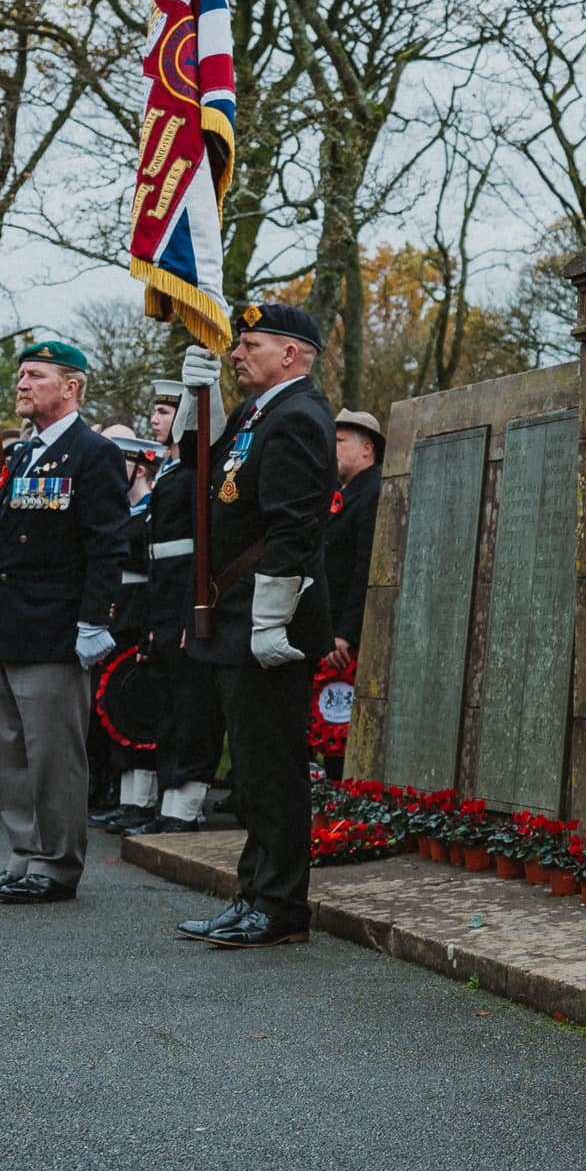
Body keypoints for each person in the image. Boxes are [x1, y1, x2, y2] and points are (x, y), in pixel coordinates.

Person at [178, 304, 336, 947]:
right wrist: (199, 397)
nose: (237, 353)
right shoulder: (258, 412)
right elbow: (204, 471)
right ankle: (254, 895)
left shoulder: (299, 416)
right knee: (250, 770)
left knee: (272, 770)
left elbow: (295, 527)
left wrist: (273, 619)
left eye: (249, 345)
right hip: (238, 614)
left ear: (291, 354)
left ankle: (280, 907)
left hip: (269, 617)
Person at [0, 340, 130, 906]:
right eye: (21, 376)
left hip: (55, 628)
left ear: (71, 386)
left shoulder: (93, 454)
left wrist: (94, 621)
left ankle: (57, 865)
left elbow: (108, 547)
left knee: (54, 753)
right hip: (8, 622)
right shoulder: (25, 454)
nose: (22, 385)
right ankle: (22, 856)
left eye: (35, 375)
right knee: (10, 747)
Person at [129, 402, 225, 837]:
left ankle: (186, 805)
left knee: (192, 710)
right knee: (168, 708)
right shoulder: (173, 473)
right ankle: (167, 800)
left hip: (185, 603)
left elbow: (200, 551)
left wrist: (191, 611)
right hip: (164, 602)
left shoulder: (195, 477)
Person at [90, 431, 165, 833]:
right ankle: (127, 799)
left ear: (140, 467)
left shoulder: (153, 510)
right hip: (117, 613)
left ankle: (147, 802)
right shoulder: (119, 511)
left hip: (140, 614)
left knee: (139, 707)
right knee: (116, 708)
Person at [326, 408, 385, 666]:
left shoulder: (374, 491)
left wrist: (346, 631)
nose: (331, 449)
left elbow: (367, 565)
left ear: (366, 449)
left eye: (339, 442)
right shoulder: (341, 492)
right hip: (328, 630)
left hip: (349, 641)